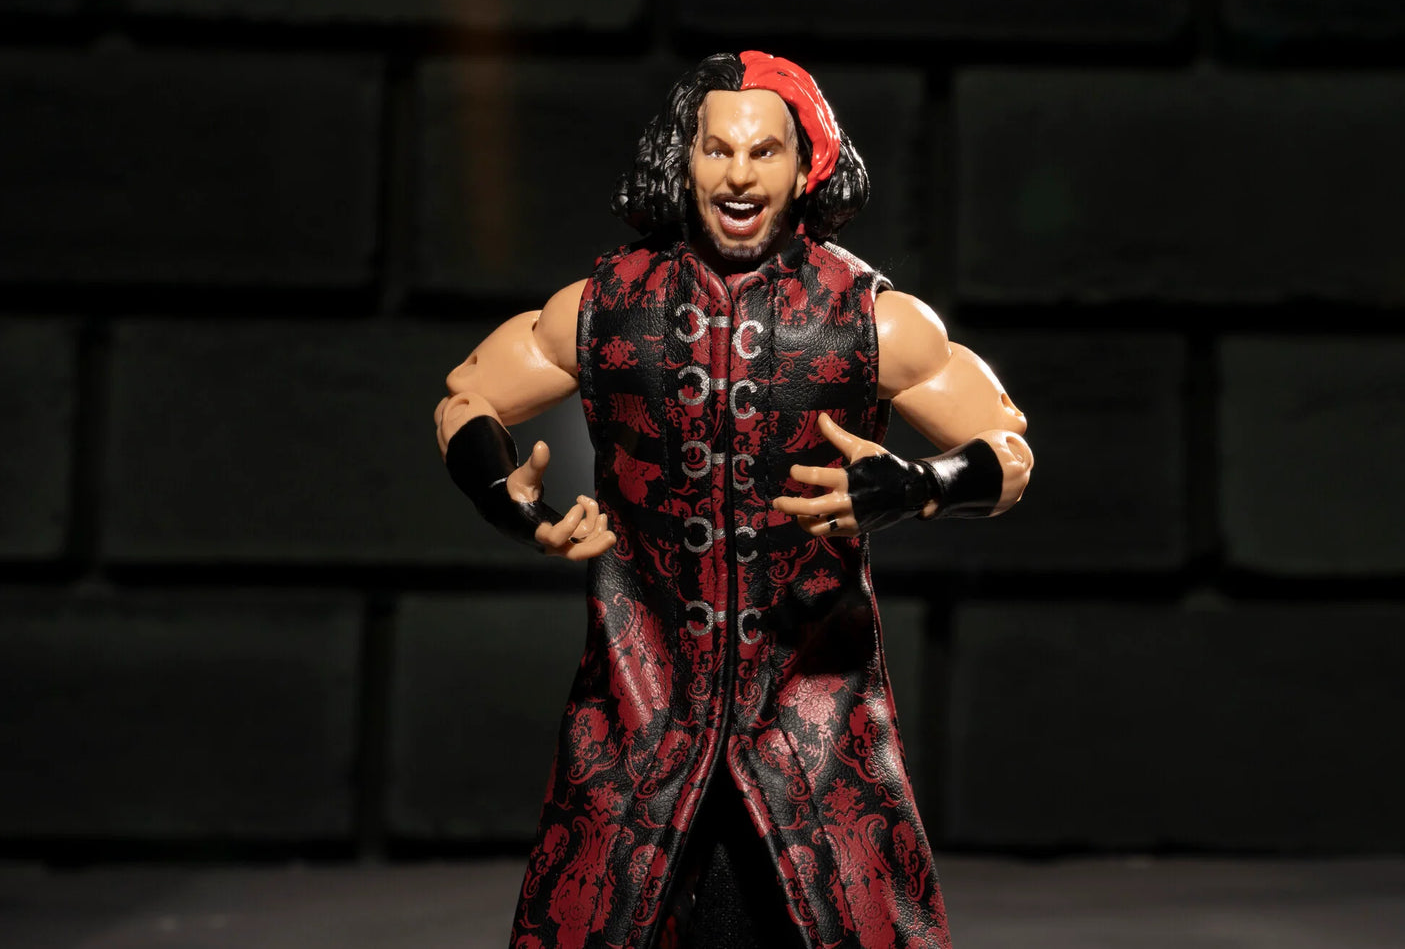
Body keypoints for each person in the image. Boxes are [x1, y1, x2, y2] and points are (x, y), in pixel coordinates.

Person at [435, 51, 1032, 949]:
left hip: (814, 720)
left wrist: (918, 485)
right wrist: (499, 494)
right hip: (636, 712)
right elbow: (467, 396)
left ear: (805, 167)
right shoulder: (605, 306)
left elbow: (1007, 448)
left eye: (764, 152)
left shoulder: (872, 319)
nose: (740, 175)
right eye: (717, 150)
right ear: (685, 160)